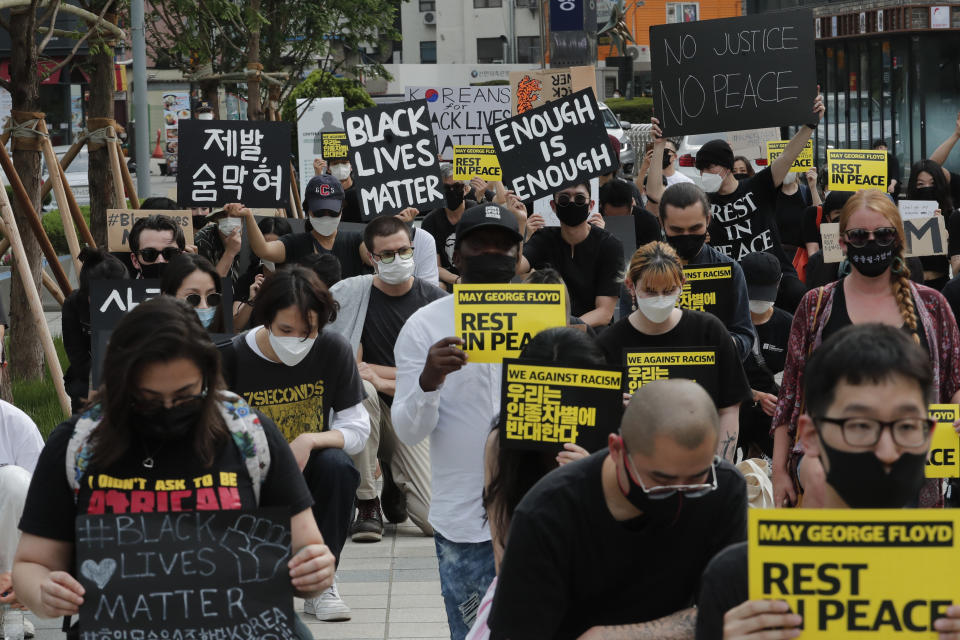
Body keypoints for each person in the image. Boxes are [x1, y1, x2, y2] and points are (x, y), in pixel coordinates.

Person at [13, 297, 334, 639]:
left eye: (185, 396)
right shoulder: (77, 444)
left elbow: (307, 545)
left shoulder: (248, 433)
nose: (167, 409)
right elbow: (31, 564)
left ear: (209, 376)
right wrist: (44, 592)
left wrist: (314, 570)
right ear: (120, 383)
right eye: (147, 399)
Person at [696, 323, 960, 640]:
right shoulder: (738, 580)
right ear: (811, 436)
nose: (888, 452)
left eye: (906, 427)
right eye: (860, 426)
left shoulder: (951, 575)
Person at [488, 379, 747, 640]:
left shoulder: (723, 489)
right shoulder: (547, 514)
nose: (680, 495)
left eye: (696, 480)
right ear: (617, 449)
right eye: (660, 481)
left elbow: (735, 614)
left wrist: (612, 636)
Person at [771, 189, 960, 510]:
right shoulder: (816, 305)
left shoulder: (932, 305)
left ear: (899, 239)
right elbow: (790, 394)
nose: (871, 243)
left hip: (911, 452)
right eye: (859, 236)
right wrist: (778, 472)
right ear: (842, 242)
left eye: (883, 234)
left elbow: (955, 382)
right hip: (829, 453)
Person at [392, 202, 527, 640]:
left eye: (503, 246)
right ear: (456, 254)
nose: (491, 253)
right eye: (479, 244)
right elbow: (408, 431)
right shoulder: (422, 328)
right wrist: (429, 381)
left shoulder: (547, 318)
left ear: (519, 253)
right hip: (464, 524)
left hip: (538, 510)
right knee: (471, 634)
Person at [221, 266, 368, 621]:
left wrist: (309, 440)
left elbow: (356, 427)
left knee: (338, 467)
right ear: (267, 318)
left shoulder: (333, 349)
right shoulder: (231, 356)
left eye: (309, 332)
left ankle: (321, 583)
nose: (297, 341)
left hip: (307, 465)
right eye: (286, 330)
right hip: (246, 468)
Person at [645, 92, 825, 313]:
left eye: (709, 168)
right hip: (727, 280)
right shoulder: (701, 200)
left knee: (803, 300)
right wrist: (660, 144)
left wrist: (809, 124)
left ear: (726, 166)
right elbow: (654, 191)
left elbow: (787, 156)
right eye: (700, 169)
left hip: (774, 276)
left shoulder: (757, 186)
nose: (704, 174)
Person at [325, 216, 447, 542]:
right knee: (360, 388)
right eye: (387, 255)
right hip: (368, 409)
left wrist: (381, 376)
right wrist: (395, 377)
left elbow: (442, 374)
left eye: (404, 251)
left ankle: (395, 479)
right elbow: (344, 366)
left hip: (412, 414)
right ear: (372, 257)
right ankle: (367, 501)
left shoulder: (435, 302)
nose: (398, 259)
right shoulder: (350, 295)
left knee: (435, 522)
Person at [597, 241, 752, 461]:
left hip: (702, 461)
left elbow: (729, 408)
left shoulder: (710, 332)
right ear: (631, 286)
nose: (660, 299)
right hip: (637, 466)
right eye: (650, 292)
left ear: (682, 284)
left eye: (669, 290)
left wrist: (718, 467)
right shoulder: (609, 344)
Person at [650, 182, 756, 361]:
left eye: (694, 228)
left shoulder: (730, 271)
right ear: (661, 222)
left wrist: (722, 342)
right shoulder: (643, 271)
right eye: (676, 230)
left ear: (708, 220)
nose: (686, 236)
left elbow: (745, 337)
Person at [518, 182, 624, 327]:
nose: (572, 203)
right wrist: (520, 223)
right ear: (553, 206)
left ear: (591, 205)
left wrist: (565, 328)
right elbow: (517, 266)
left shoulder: (610, 245)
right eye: (564, 199)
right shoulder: (544, 238)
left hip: (591, 333)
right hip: (549, 329)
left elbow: (604, 313)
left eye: (579, 198)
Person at [234, 174, 370, 278]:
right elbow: (263, 250)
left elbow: (377, 256)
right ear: (308, 210)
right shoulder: (295, 243)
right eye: (319, 212)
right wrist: (248, 216)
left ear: (342, 209)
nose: (326, 217)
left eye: (333, 212)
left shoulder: (356, 241)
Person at [738, 252, 793, 458]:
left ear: (778, 284)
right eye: (754, 292)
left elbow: (799, 371)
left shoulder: (787, 323)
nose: (759, 300)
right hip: (733, 400)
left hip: (770, 401)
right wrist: (753, 396)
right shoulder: (726, 321)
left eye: (764, 292)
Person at [62, 247, 128, 413]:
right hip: (89, 376)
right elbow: (77, 355)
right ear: (87, 293)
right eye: (102, 296)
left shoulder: (135, 302)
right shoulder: (73, 305)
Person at [0, 400, 43, 639]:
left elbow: (43, 502)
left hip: (5, 546)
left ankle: (10, 605)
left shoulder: (16, 423)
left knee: (15, 481)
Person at [421, 163, 478, 291]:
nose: (452, 191)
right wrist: (458, 280)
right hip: (448, 280)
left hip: (477, 274)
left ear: (466, 189)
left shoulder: (477, 212)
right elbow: (435, 266)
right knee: (437, 286)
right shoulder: (430, 221)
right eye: (446, 187)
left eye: (457, 186)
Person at [905, 159, 958, 288]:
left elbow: (955, 264)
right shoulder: (904, 213)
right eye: (921, 184)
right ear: (913, 185)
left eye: (932, 183)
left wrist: (946, 238)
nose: (927, 188)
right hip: (910, 285)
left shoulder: (951, 215)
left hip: (940, 284)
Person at [233, 216, 292, 329]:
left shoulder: (298, 279)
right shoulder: (248, 281)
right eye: (264, 245)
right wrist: (252, 301)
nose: (269, 252)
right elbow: (235, 326)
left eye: (275, 246)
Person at [160, 254, 226, 333]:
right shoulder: (152, 343)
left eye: (212, 297)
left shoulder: (226, 342)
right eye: (193, 298)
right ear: (167, 298)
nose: (204, 307)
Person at [599, 177, 661, 249]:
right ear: (601, 206)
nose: (617, 222)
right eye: (611, 217)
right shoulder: (593, 219)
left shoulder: (648, 221)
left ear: (632, 203)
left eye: (623, 218)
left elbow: (655, 256)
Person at [774, 167, 819, 258]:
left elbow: (819, 215)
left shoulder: (805, 192)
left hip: (801, 257)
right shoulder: (771, 195)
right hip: (777, 257)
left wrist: (813, 187)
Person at [193, 208, 244, 284]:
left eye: (234, 214)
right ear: (216, 219)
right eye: (223, 215)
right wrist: (230, 252)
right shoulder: (201, 240)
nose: (229, 219)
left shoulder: (252, 236)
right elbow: (208, 285)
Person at [128, 214, 186, 279]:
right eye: (150, 254)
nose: (160, 261)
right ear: (135, 261)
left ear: (183, 258)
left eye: (170, 253)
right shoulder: (121, 288)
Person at [313, 157, 363, 223]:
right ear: (328, 169)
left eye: (344, 163)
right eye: (335, 163)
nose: (340, 167)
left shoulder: (362, 191)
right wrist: (318, 176)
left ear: (351, 167)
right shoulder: (325, 193)